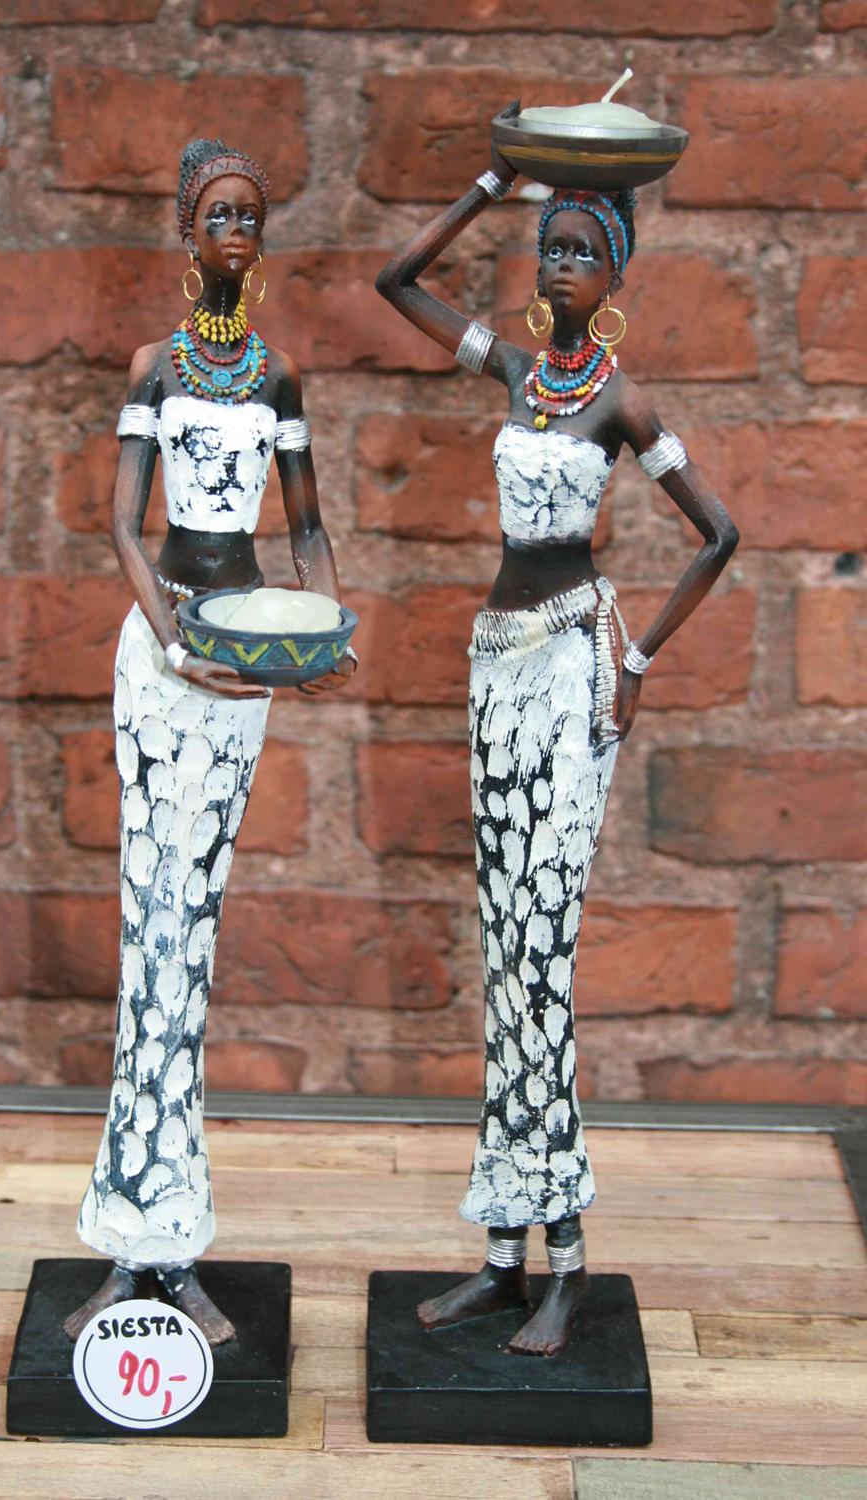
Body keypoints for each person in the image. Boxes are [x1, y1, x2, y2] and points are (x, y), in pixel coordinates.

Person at [376, 107, 738, 1356]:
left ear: (616, 276)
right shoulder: (519, 376)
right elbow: (397, 282)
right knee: (502, 958)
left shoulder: (620, 405)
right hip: (495, 667)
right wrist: (495, 177)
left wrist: (637, 660)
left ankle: (567, 1260)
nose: (563, 266)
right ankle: (500, 1256)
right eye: (553, 249)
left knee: (544, 965)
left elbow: (720, 533)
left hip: (576, 668)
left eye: (584, 250)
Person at [64, 139, 354, 1345]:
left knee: (195, 929)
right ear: (187, 232)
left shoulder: (276, 379)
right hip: (164, 658)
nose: (236, 233)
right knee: (152, 930)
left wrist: (328, 630)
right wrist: (170, 634)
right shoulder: (158, 367)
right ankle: (141, 1240)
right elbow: (122, 527)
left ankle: (164, 1239)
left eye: (251, 217)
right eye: (219, 216)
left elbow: (309, 531)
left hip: (245, 658)